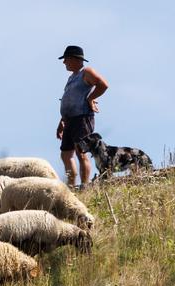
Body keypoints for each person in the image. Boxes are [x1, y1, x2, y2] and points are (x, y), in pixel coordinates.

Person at [56, 45, 108, 190]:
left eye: (66, 59)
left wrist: (91, 98)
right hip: (69, 120)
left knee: (82, 152)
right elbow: (70, 99)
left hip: (82, 118)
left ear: (74, 58)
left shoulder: (86, 72)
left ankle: (84, 185)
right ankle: (71, 185)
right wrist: (61, 122)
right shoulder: (71, 78)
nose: (64, 62)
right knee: (66, 155)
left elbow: (103, 84)